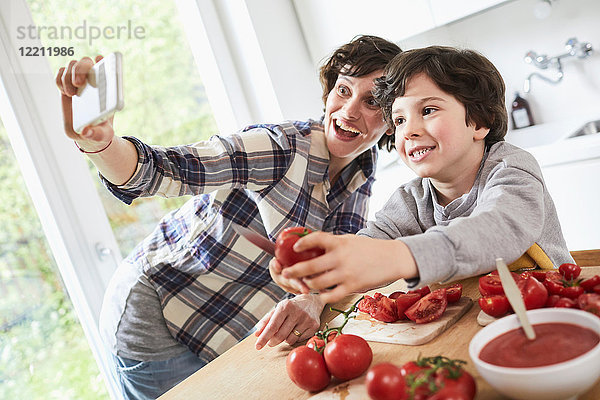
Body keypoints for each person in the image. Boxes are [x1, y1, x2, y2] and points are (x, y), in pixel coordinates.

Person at [55, 35, 401, 399]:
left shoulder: (362, 166)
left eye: (372, 100)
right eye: (343, 90)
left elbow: (338, 254)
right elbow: (167, 170)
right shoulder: (279, 147)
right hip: (160, 313)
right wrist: (101, 144)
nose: (348, 110)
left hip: (222, 318)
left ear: (392, 121)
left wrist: (312, 299)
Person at [272, 46, 574, 305]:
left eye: (428, 110)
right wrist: (315, 285)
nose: (409, 130)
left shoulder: (511, 168)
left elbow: (498, 229)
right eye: (400, 119)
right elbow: (369, 247)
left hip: (558, 306)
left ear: (480, 122)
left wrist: (401, 257)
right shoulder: (411, 199)